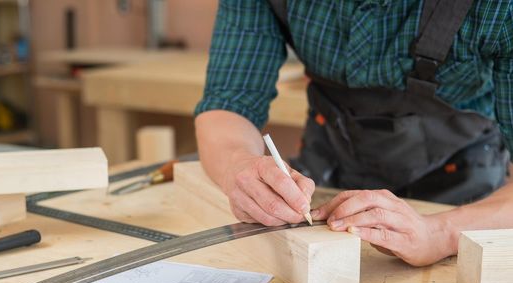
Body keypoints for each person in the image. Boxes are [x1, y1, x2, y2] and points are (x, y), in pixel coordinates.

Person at [194, 0, 513, 266]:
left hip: (464, 202)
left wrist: (440, 234)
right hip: (325, 180)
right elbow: (228, 104)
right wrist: (237, 166)